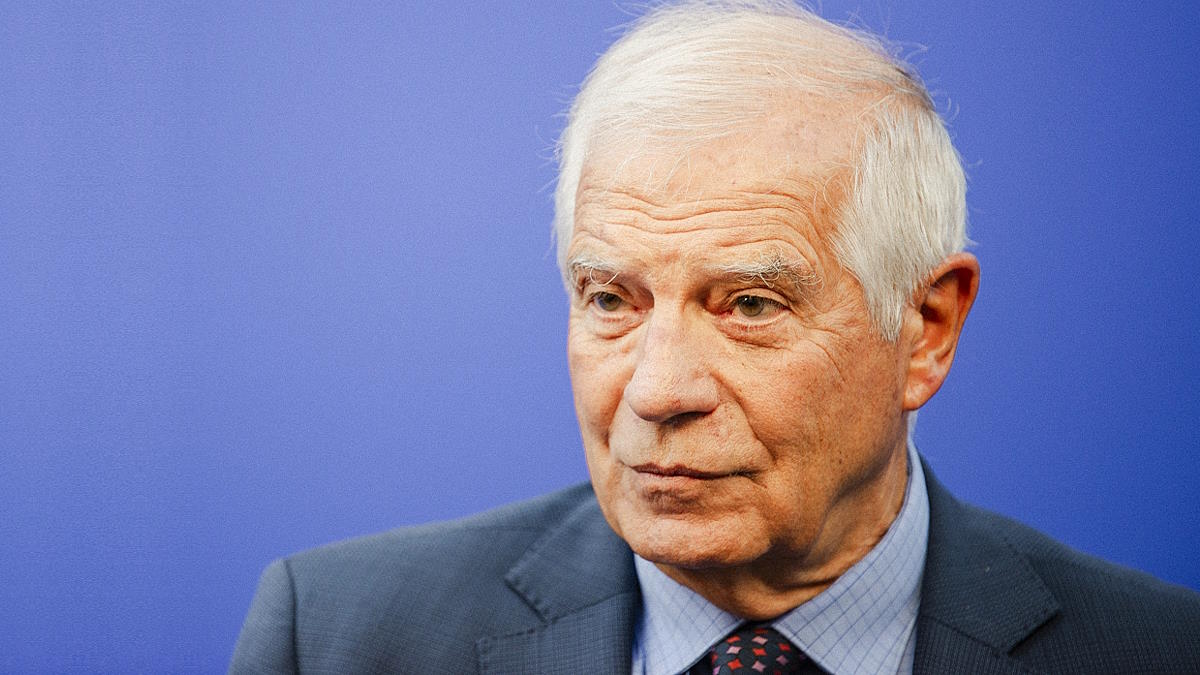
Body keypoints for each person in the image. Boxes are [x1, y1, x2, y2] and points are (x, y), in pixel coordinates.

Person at [230, 2, 1200, 673]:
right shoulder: (343, 639)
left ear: (926, 329)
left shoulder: (1158, 651)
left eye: (750, 306)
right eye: (611, 298)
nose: (657, 391)